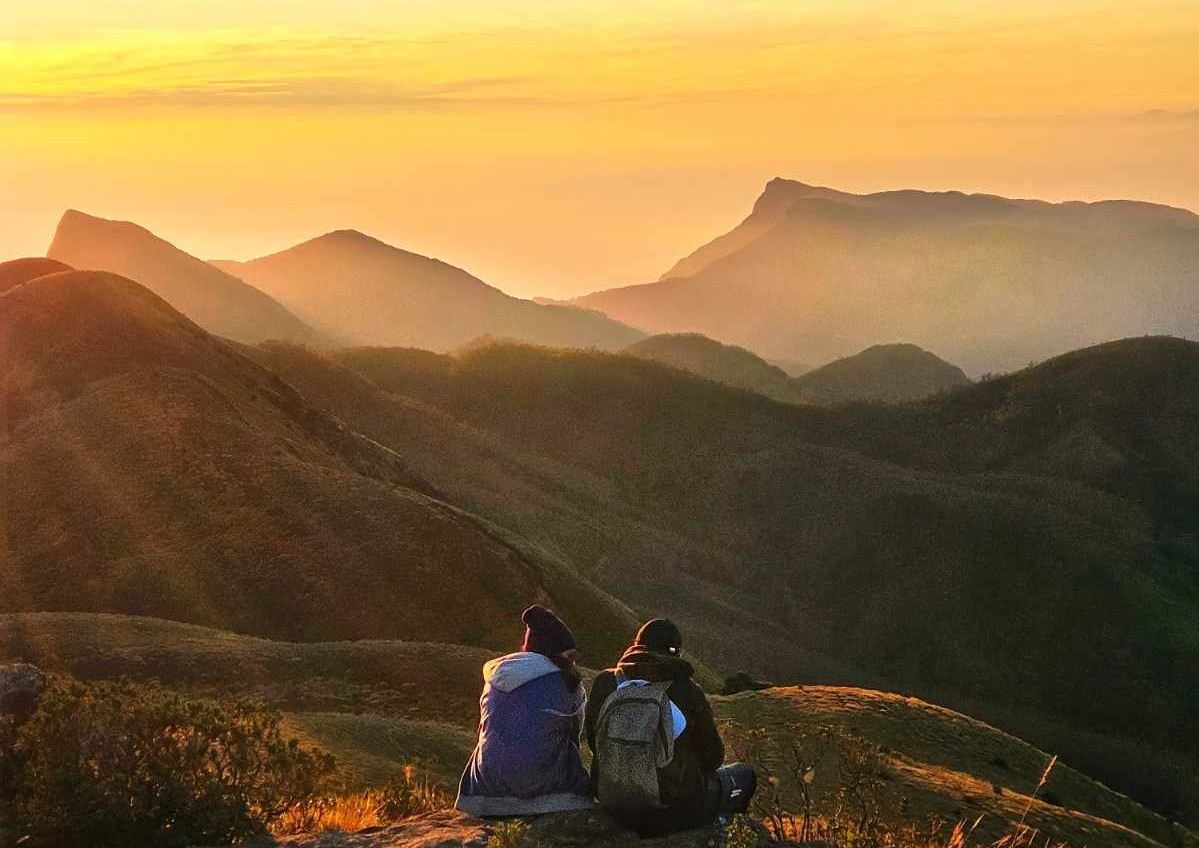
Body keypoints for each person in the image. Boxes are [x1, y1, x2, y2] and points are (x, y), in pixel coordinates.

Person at [585, 618, 756, 836]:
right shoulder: (687, 688)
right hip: (673, 810)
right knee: (744, 775)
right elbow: (712, 757)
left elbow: (594, 743)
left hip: (612, 804)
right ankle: (724, 834)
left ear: (636, 645)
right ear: (676, 651)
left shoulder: (605, 682)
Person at [455, 605, 593, 816]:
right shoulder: (566, 682)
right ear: (553, 652)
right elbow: (574, 734)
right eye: (570, 655)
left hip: (485, 791)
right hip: (549, 793)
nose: (572, 662)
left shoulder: (493, 678)